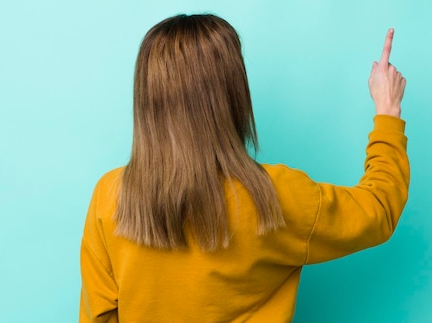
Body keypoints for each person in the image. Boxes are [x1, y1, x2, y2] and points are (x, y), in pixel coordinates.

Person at [80, 14, 408, 323]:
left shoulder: (108, 196)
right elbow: (378, 208)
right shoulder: (274, 196)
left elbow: (98, 316)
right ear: (232, 93)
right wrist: (387, 110)